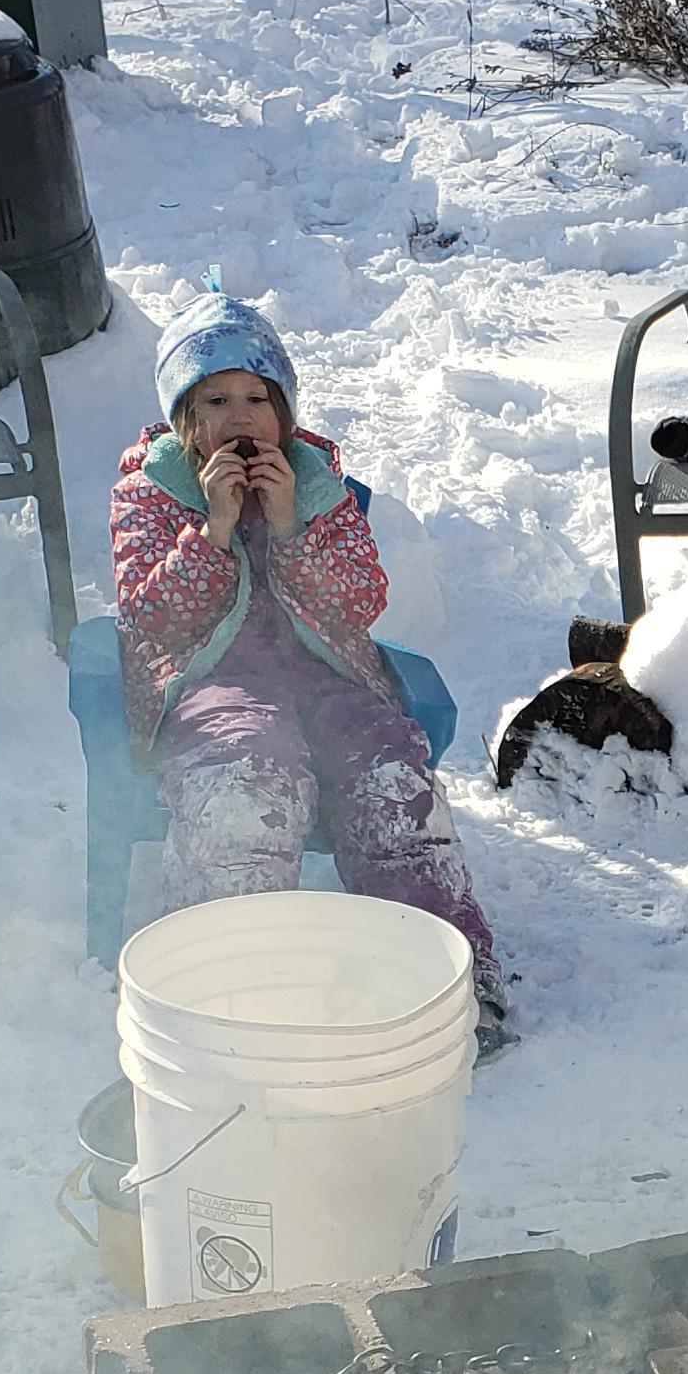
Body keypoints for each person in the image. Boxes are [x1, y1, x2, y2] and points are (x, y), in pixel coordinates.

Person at [109, 286, 503, 1025]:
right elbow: (151, 618)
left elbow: (359, 603)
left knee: (390, 779)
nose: (240, 419)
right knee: (247, 786)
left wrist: (292, 525)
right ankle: (222, 999)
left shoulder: (319, 484)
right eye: (216, 400)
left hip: (327, 679)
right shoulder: (150, 492)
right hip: (213, 685)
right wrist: (214, 530)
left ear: (285, 410)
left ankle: (444, 992)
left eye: (258, 398)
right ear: (184, 417)